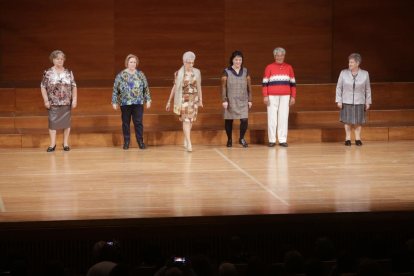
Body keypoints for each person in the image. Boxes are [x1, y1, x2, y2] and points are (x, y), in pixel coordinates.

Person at [112, 54, 151, 150]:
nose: (133, 64)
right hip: (125, 103)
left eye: (134, 62)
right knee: (126, 123)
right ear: (127, 63)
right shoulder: (120, 75)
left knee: (138, 122)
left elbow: (146, 88)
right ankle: (126, 142)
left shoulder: (140, 74)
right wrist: (114, 101)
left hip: (138, 102)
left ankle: (140, 141)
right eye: (131, 62)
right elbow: (115, 89)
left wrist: (148, 100)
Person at [41, 50, 77, 152]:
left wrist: (74, 99)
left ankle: (65, 143)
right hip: (53, 102)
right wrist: (46, 100)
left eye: (61, 59)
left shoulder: (69, 72)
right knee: (53, 123)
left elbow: (74, 86)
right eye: (58, 59)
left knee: (66, 123)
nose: (60, 61)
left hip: (66, 102)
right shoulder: (47, 73)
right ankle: (52, 144)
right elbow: (43, 87)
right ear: (53, 60)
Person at [166, 51, 203, 152]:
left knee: (190, 121)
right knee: (186, 120)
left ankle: (186, 138)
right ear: (184, 62)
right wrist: (169, 101)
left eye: (192, 62)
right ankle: (189, 142)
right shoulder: (178, 74)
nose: (191, 65)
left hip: (193, 99)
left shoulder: (197, 72)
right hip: (183, 100)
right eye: (188, 62)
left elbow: (199, 86)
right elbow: (174, 87)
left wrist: (200, 99)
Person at [262, 47, 296, 147]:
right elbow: (264, 83)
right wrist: (265, 96)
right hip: (272, 95)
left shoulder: (289, 67)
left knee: (283, 117)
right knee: (272, 117)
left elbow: (293, 83)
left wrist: (293, 96)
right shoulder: (269, 67)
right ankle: (272, 140)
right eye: (278, 55)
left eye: (281, 56)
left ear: (284, 56)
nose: (279, 57)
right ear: (274, 56)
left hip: (285, 95)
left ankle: (282, 139)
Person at [336, 53, 371, 146]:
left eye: (352, 62)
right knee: (347, 120)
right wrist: (339, 100)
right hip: (346, 100)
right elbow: (339, 87)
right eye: (349, 62)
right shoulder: (343, 73)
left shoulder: (365, 74)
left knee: (358, 121)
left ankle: (357, 139)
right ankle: (347, 139)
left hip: (360, 100)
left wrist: (367, 101)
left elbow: (368, 88)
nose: (350, 64)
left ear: (357, 63)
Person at [221, 51, 252, 147]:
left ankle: (241, 138)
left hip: (243, 100)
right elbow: (223, 87)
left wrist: (250, 100)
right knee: (229, 120)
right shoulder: (226, 71)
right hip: (230, 100)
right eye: (236, 60)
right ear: (232, 60)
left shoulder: (246, 71)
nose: (238, 62)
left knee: (244, 120)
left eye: (240, 60)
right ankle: (229, 139)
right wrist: (224, 100)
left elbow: (249, 87)